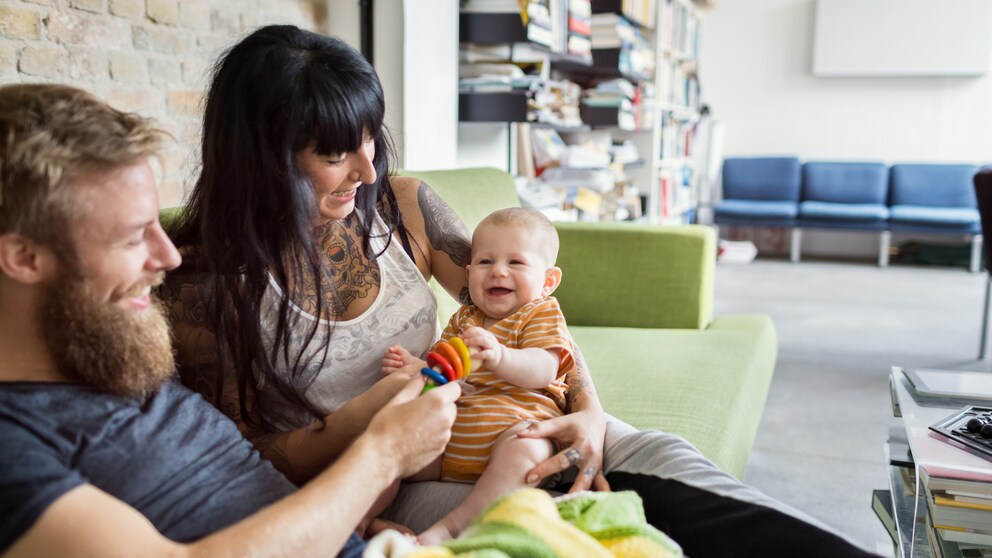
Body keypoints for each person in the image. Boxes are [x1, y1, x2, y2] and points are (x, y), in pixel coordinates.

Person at [162, 24, 879, 557]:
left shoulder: (402, 206)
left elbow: (529, 305)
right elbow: (265, 461)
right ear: (261, 156)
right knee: (590, 522)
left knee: (665, 461)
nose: (366, 166)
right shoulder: (203, 286)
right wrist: (385, 420)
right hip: (394, 478)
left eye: (370, 137)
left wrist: (590, 412)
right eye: (332, 153)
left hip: (505, 416)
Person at [0, 82, 460, 558]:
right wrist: (382, 454)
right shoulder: (15, 441)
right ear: (25, 257)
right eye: (134, 237)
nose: (168, 257)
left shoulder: (113, 348)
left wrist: (346, 505)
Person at [380, 207, 575, 542]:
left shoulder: (539, 313)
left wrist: (501, 356)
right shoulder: (463, 318)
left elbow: (545, 369)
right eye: (486, 262)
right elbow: (443, 368)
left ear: (548, 281)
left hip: (515, 432)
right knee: (396, 440)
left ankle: (450, 531)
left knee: (526, 449)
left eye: (515, 262)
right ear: (469, 271)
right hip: (451, 442)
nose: (498, 271)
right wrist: (419, 368)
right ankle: (364, 517)